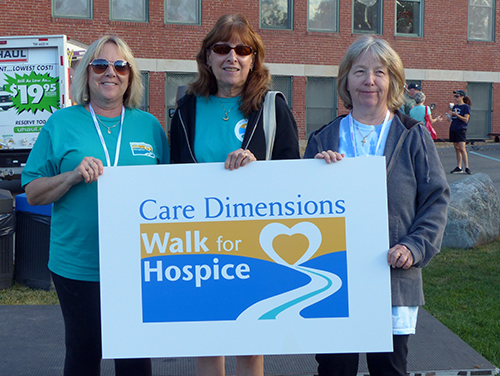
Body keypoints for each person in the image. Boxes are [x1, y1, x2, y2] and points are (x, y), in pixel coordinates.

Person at [21, 35, 170, 376]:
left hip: (137, 264)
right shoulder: (61, 123)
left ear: (130, 76)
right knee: (84, 352)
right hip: (78, 263)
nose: (110, 73)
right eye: (100, 65)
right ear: (86, 74)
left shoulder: (149, 126)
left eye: (120, 66)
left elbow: (170, 192)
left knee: (135, 356)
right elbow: (32, 192)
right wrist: (71, 176)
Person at [304, 35, 450, 376]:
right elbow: (302, 208)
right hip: (333, 279)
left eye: (380, 72)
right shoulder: (323, 139)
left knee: (388, 369)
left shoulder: (412, 135)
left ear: (393, 81)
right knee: (334, 369)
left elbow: (436, 199)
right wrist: (316, 174)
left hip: (392, 278)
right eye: (359, 71)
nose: (369, 80)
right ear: (346, 80)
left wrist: (415, 246)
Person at [170, 13, 300, 376]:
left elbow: (295, 177)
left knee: (249, 343)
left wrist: (257, 169)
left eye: (243, 49)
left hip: (254, 243)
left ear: (254, 58)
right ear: (207, 57)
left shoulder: (273, 106)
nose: (233, 57)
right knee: (208, 342)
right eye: (222, 48)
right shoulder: (186, 109)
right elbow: (175, 176)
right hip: (201, 243)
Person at [447, 89, 472, 174]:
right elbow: (453, 119)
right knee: (456, 148)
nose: (455, 98)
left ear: (462, 97)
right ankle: (459, 166)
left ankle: (467, 167)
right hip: (453, 128)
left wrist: (457, 115)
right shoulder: (455, 107)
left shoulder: (466, 107)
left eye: (457, 96)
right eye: (455, 96)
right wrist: (449, 117)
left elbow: (466, 119)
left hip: (461, 129)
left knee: (462, 148)